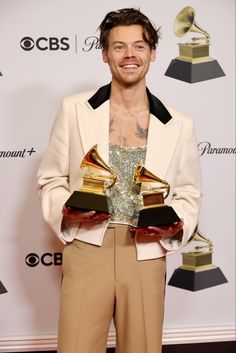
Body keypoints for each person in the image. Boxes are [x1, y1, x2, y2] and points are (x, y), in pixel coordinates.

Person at [37, 7, 202, 353]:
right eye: (119, 47)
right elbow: (51, 177)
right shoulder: (74, 110)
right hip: (87, 248)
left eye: (139, 46)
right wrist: (66, 212)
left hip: (145, 254)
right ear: (104, 54)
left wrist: (175, 225)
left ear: (153, 53)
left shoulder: (179, 124)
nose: (130, 55)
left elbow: (188, 192)